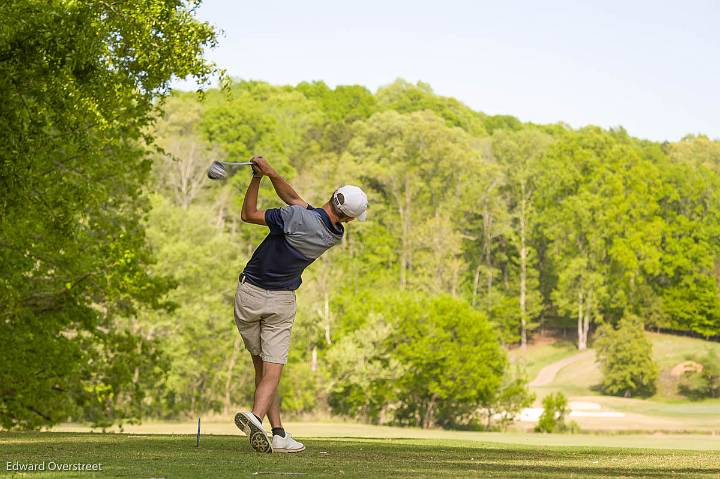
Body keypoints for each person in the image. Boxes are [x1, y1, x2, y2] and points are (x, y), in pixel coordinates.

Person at [233, 156, 368, 453]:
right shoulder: (334, 235)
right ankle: (257, 419)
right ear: (347, 218)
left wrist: (257, 178)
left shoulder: (294, 217)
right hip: (280, 301)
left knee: (263, 369)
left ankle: (275, 431)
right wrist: (271, 173)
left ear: (332, 195)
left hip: (249, 294)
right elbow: (294, 198)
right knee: (272, 370)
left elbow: (249, 213)